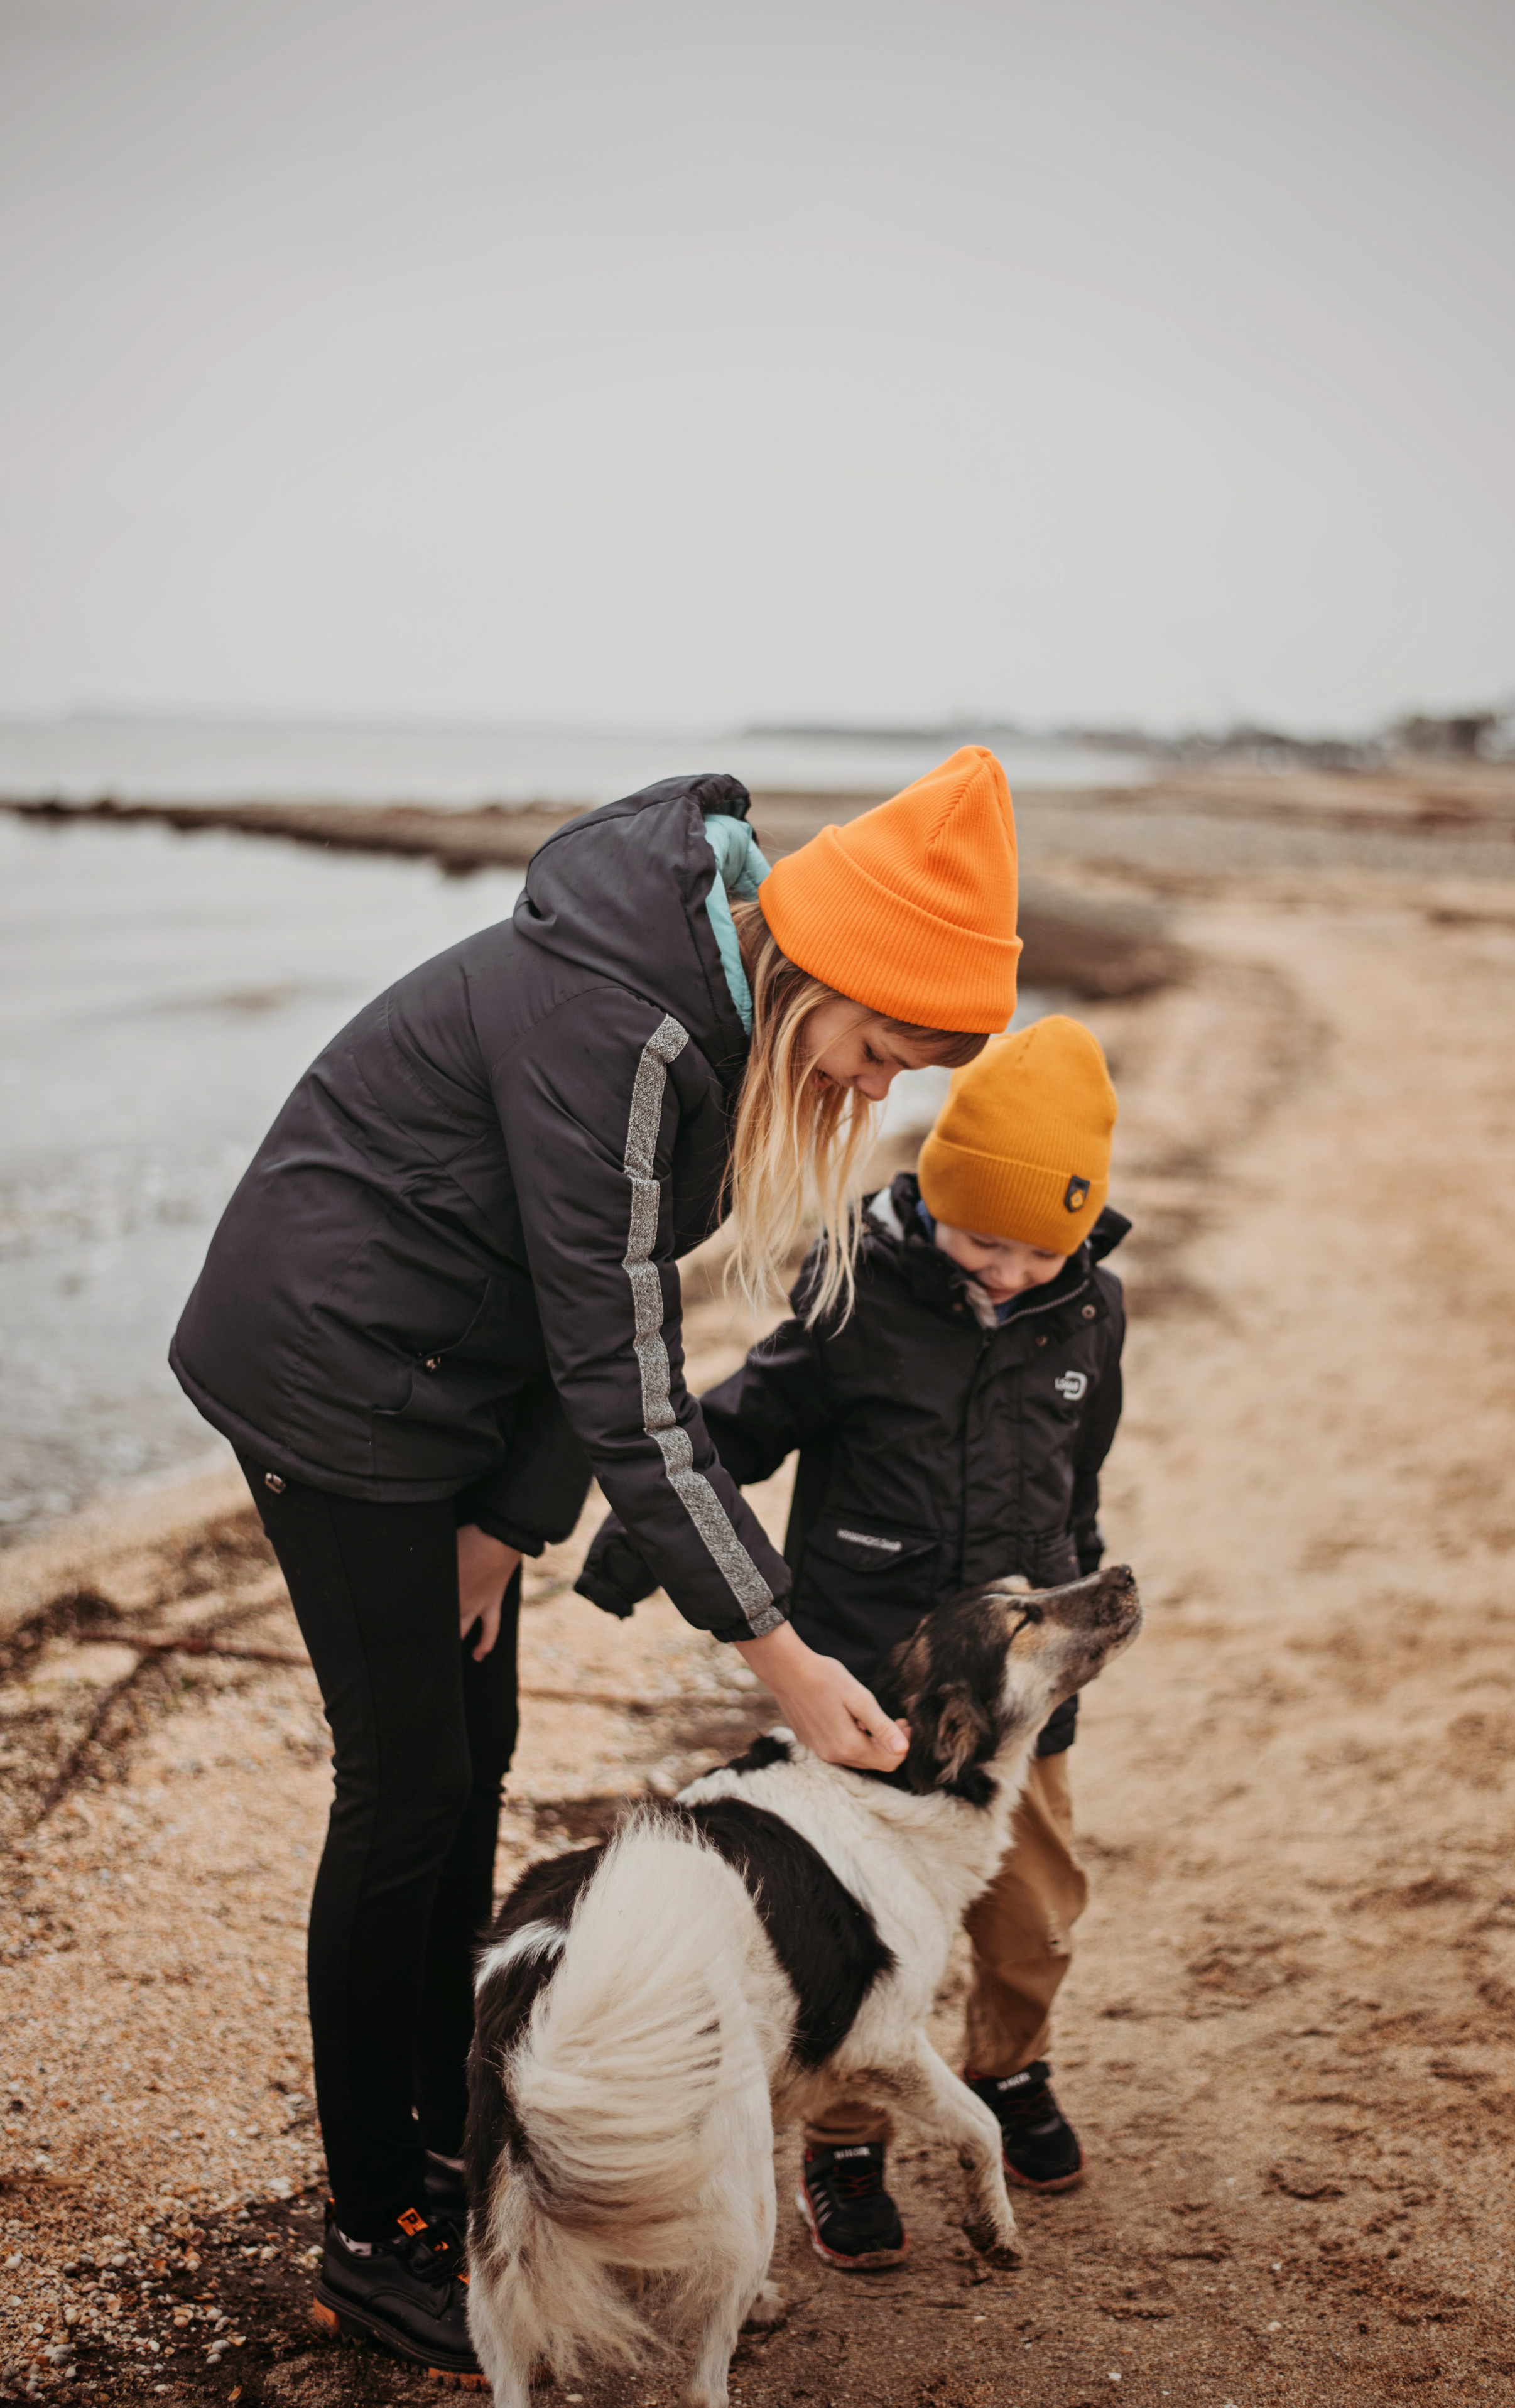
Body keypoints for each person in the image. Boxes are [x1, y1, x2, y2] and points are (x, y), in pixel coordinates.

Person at [168, 747, 1020, 2377]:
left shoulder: (708, 1030)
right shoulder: (621, 1021)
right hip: (328, 1370)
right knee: (403, 1784)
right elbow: (627, 1386)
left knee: (468, 1763)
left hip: (449, 1389)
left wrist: (501, 1527)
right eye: (883, 1050)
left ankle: (442, 2140)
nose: (875, 1090)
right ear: (828, 976)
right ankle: (373, 2231)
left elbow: (610, 1311)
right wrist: (780, 1651)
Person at [580, 1014, 1127, 2270]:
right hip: (863, 1679)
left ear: (1078, 1234)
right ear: (932, 1198)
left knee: (1032, 1915)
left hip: (1014, 1701)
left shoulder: (1088, 1313)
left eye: (1033, 1250)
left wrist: (1068, 1621)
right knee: (846, 1925)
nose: (1000, 1271)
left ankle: (1012, 2069)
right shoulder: (853, 1295)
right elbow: (743, 1420)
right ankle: (839, 2139)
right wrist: (639, 1538)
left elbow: (1076, 1479)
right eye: (978, 1238)